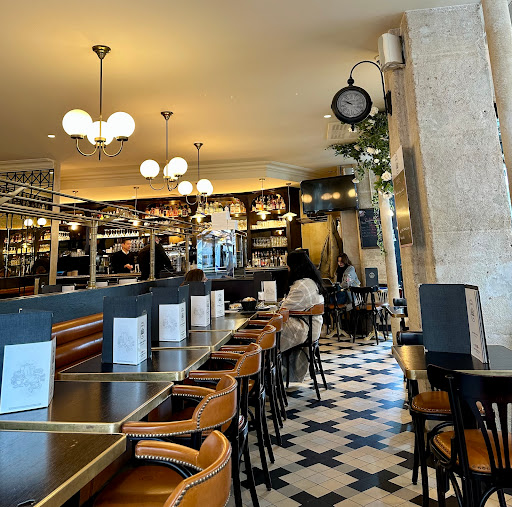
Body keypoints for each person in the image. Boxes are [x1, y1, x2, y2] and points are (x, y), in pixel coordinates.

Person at [280, 250, 325, 383]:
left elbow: (284, 308)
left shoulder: (301, 286)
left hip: (306, 329)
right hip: (312, 326)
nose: (287, 268)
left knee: (269, 337)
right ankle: (277, 375)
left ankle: (268, 374)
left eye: (288, 265)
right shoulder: (310, 281)